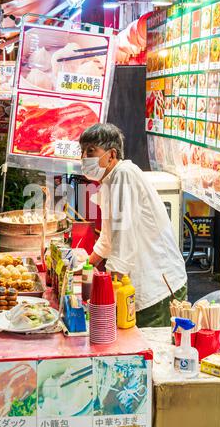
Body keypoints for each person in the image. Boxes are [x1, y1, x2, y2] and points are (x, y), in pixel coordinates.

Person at [79, 123, 187, 328]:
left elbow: (123, 238)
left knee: (153, 351)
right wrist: (85, 266)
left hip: (157, 289)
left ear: (111, 155)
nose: (84, 157)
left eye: (91, 151)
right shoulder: (110, 180)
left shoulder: (124, 175)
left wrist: (105, 293)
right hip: (140, 285)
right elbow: (108, 237)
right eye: (82, 151)